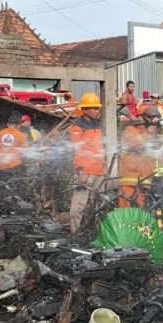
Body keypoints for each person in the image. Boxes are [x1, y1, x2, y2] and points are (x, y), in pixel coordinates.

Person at [69, 93, 106, 232]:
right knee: (77, 209)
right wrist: (80, 171)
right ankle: (75, 234)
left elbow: (101, 148)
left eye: (98, 108)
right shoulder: (78, 127)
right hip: (86, 172)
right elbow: (77, 150)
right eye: (94, 108)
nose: (98, 110)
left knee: (100, 206)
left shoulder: (99, 125)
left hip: (99, 172)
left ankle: (99, 234)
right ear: (84, 110)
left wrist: (104, 167)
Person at [117, 106, 155, 208]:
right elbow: (134, 143)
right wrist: (147, 131)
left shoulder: (152, 130)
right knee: (125, 204)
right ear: (141, 117)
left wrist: (158, 129)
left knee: (140, 207)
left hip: (144, 175)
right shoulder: (130, 129)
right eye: (149, 117)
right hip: (130, 174)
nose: (152, 120)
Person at [144, 106, 163, 198]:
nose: (155, 119)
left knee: (157, 197)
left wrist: (160, 129)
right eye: (152, 117)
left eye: (157, 117)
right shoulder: (143, 129)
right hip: (146, 171)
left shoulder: (161, 129)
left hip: (157, 173)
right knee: (146, 196)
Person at [0, 112, 28, 179]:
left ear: (8, 124)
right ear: (19, 125)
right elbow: (25, 152)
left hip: (0, 167)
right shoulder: (21, 135)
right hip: (15, 166)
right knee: (22, 181)